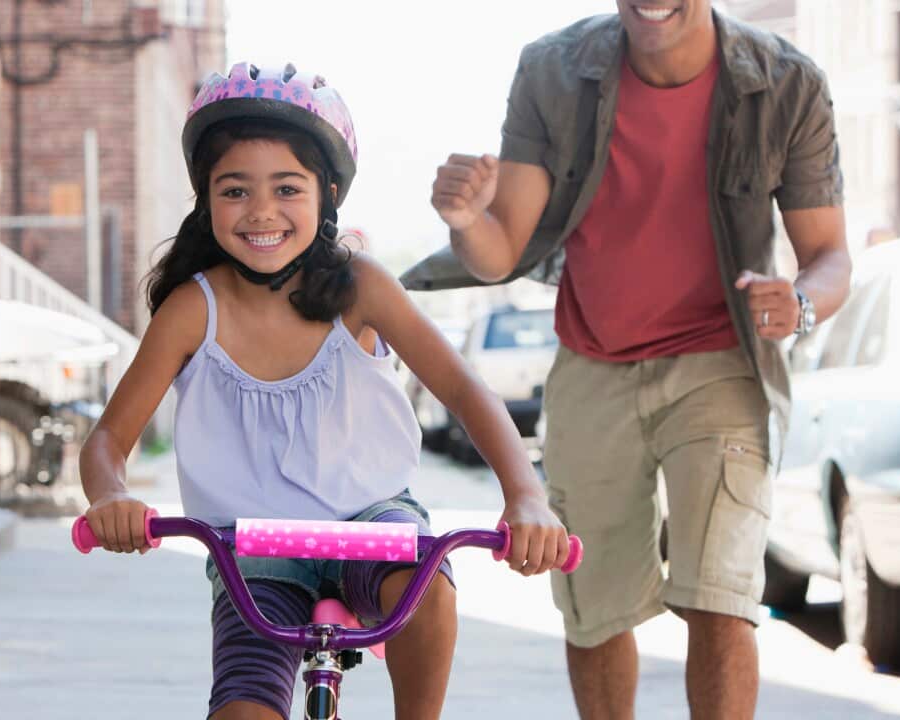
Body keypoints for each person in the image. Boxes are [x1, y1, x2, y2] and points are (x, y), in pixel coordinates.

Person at [77, 62, 569, 720]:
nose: (261, 212)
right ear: (206, 200)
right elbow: (109, 438)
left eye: (287, 188)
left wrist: (526, 496)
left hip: (371, 520)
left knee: (429, 590)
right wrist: (111, 494)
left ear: (328, 194)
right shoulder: (194, 310)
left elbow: (463, 388)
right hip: (252, 548)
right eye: (234, 191)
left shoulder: (361, 287)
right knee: (242, 709)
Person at [402, 3, 852, 719]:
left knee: (721, 596)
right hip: (593, 362)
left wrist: (797, 303)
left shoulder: (785, 82)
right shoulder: (552, 71)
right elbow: (503, 250)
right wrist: (465, 221)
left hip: (721, 365)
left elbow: (829, 256)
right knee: (595, 606)